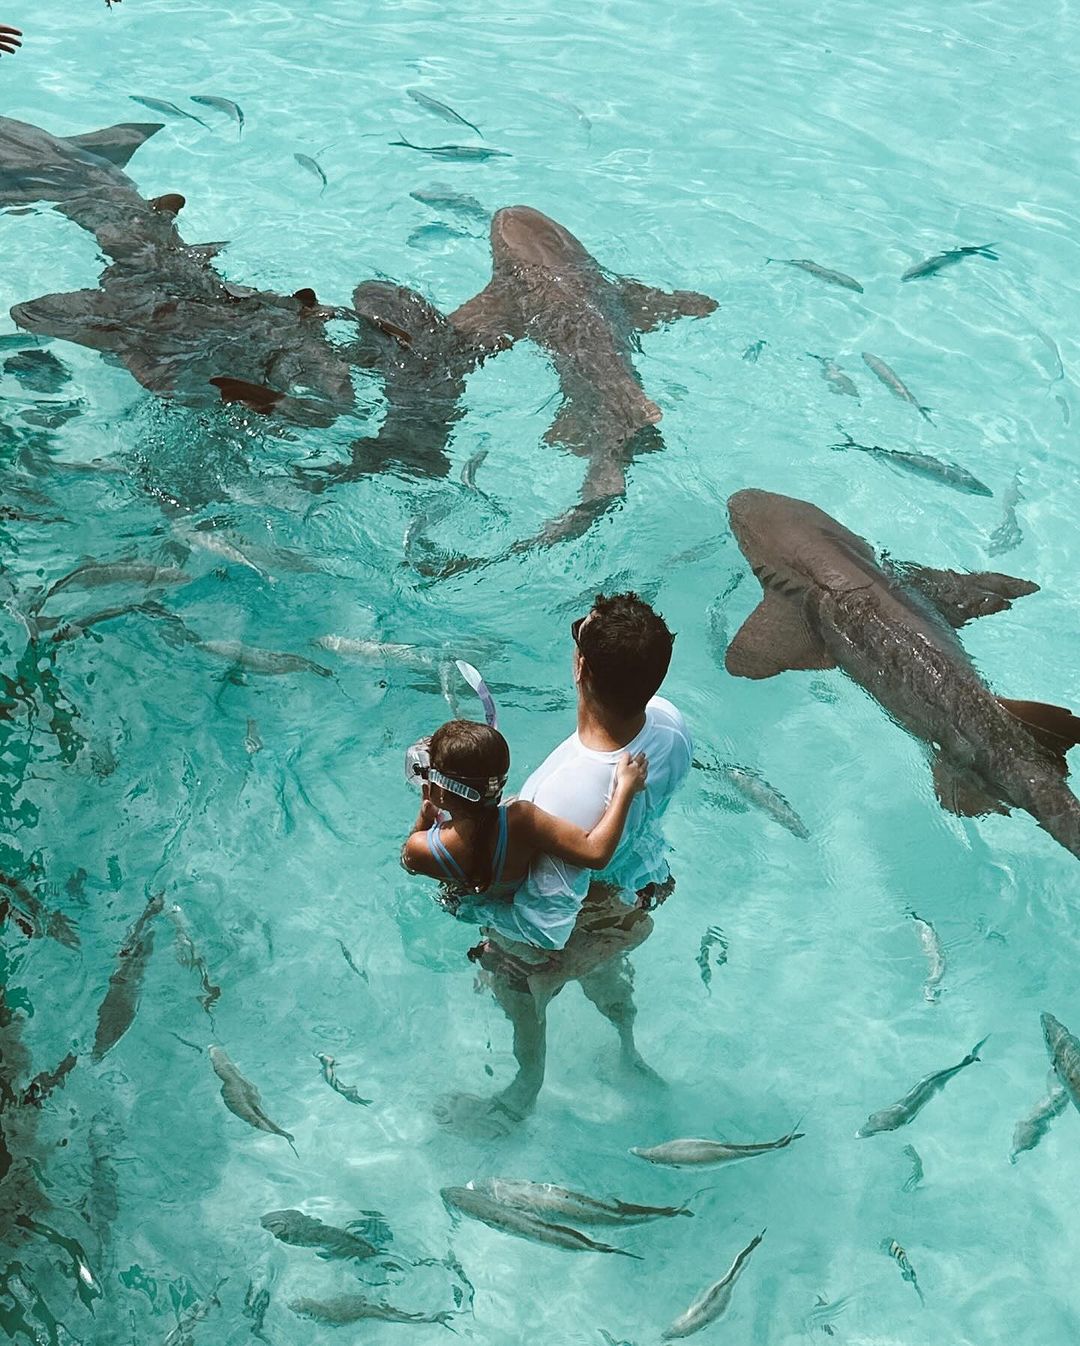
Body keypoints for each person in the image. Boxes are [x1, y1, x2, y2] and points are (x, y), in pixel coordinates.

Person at [439, 591, 691, 1135]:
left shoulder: (558, 796)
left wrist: (465, 908)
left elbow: (544, 928)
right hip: (636, 893)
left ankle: (523, 1091)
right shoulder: (670, 725)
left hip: (574, 920)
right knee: (604, 965)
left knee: (510, 979)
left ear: (581, 667)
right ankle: (628, 1052)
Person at [400, 718, 649, 900]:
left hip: (469, 903)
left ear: (440, 792)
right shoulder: (520, 821)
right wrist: (625, 787)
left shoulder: (421, 847)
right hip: (517, 899)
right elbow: (596, 854)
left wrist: (424, 820)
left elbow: (409, 864)